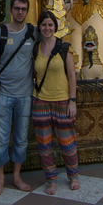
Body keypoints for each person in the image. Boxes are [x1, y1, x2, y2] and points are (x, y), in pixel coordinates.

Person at [0, 0, 36, 196]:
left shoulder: (33, 32)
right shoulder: (1, 32)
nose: (20, 12)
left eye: (23, 8)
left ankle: (17, 176)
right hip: (3, 93)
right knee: (0, 138)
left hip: (25, 95)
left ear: (27, 11)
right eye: (17, 8)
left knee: (21, 138)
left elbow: (48, 47)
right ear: (10, 10)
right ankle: (0, 178)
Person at [32, 10, 79, 194]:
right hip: (41, 101)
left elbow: (72, 76)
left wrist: (72, 101)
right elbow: (33, 74)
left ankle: (73, 176)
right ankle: (51, 179)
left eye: (50, 25)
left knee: (67, 142)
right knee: (44, 145)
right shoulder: (36, 48)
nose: (47, 28)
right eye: (44, 25)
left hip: (62, 101)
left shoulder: (64, 48)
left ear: (55, 27)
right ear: (39, 27)